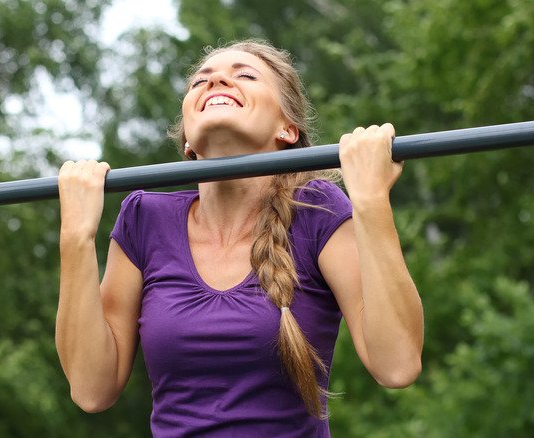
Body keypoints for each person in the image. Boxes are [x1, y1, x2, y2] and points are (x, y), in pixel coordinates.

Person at [55, 40, 423, 437]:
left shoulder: (318, 211)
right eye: (201, 81)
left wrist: (370, 200)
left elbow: (397, 365)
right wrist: (75, 237)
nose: (216, 80)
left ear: (287, 128)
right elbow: (92, 389)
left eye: (244, 75)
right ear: (188, 143)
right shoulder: (145, 218)